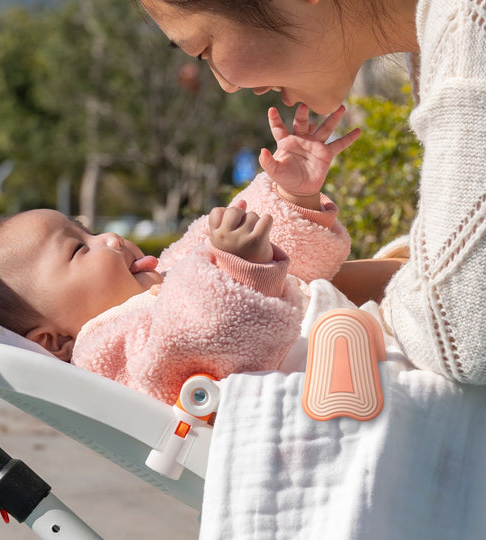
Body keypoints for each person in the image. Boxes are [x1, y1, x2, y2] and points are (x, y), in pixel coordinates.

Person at [138, 0, 486, 385]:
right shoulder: (449, 39)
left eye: (204, 49)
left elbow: (462, 333)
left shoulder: (469, 37)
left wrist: (325, 308)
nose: (226, 84)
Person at [0, 106, 359, 404]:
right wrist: (241, 270)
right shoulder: (107, 352)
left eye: (89, 231)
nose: (110, 238)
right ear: (53, 341)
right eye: (78, 249)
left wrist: (292, 195)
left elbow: (252, 239)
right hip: (341, 384)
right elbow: (200, 344)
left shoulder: (170, 274)